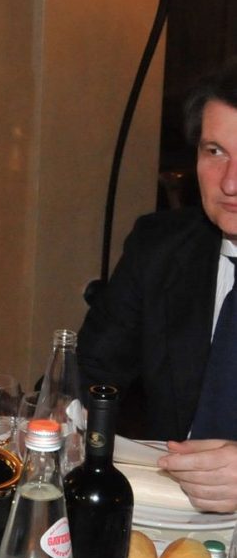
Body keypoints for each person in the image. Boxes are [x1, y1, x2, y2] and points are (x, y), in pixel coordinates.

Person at [78, 57, 237, 513]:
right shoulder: (160, 248)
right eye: (215, 151)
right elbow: (86, 375)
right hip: (170, 513)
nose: (230, 182)